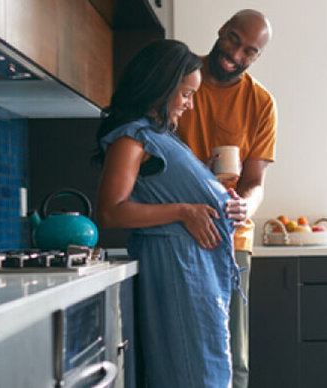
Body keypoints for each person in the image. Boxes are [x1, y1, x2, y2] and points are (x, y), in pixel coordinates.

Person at [94, 39, 239, 388]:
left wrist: (225, 200)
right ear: (161, 87)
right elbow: (111, 212)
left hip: (197, 275)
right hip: (179, 274)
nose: (189, 105)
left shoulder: (161, 136)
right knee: (192, 376)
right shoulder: (132, 139)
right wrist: (184, 210)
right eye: (186, 94)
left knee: (204, 373)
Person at [176, 9, 276, 388]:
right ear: (221, 30)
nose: (236, 54)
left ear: (256, 57)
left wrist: (243, 207)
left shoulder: (261, 104)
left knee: (232, 353)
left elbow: (255, 182)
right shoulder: (180, 79)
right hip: (176, 229)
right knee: (179, 344)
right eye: (234, 39)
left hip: (232, 240)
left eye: (249, 51)